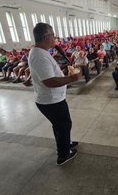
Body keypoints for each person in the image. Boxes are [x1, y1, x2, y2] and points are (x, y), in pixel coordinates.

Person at [29, 23, 81, 166]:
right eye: (53, 35)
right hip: (51, 101)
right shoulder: (39, 56)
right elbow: (49, 81)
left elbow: (49, 74)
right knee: (63, 125)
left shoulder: (41, 52)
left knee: (60, 126)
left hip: (52, 99)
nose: (55, 38)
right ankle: (63, 155)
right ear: (46, 37)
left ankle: (66, 143)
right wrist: (72, 78)